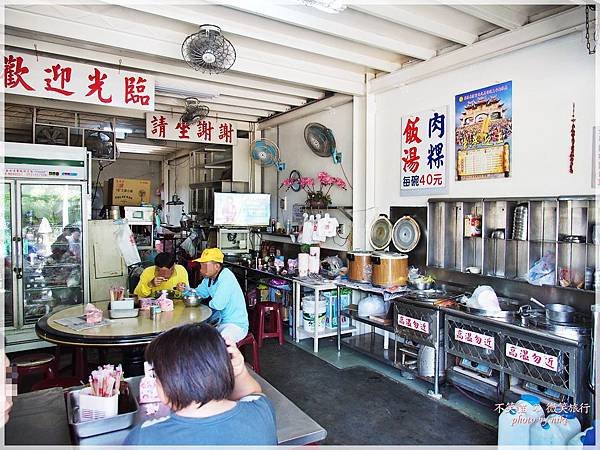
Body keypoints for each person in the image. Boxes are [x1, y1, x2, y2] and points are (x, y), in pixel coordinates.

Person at [123, 323, 277, 446]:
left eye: (155, 375)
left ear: (170, 380)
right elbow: (252, 394)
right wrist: (240, 371)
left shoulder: (144, 438)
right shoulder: (261, 411)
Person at [193, 248, 249, 343]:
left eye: (205, 265)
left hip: (235, 325)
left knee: (220, 343)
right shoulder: (208, 279)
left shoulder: (226, 277)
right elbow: (199, 293)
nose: (201, 269)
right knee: (200, 339)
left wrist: (206, 303)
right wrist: (185, 290)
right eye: (201, 265)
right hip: (219, 322)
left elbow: (218, 304)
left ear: (217, 266)